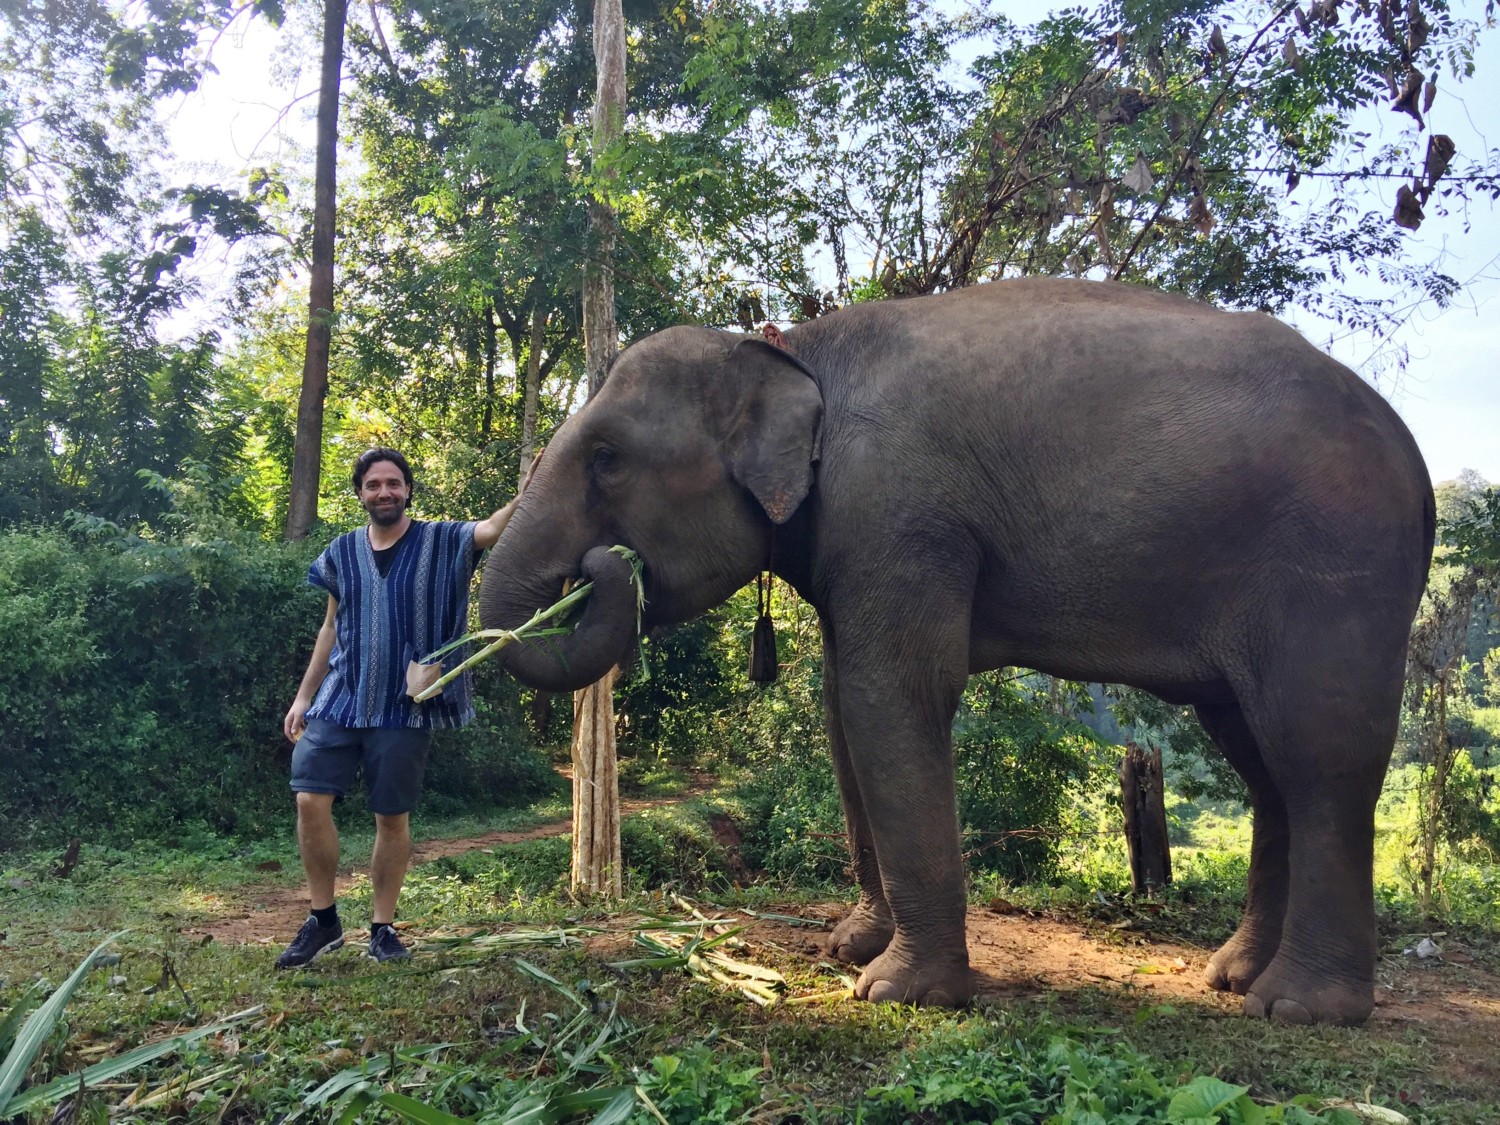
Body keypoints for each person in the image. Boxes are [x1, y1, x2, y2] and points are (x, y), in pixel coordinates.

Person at [276, 447, 520, 968]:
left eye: (393, 483)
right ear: (360, 493)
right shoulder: (342, 551)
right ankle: (323, 921)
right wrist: (304, 695)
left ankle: (382, 929)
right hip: (340, 698)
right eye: (373, 484)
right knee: (309, 798)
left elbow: (493, 529)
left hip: (405, 706)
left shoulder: (442, 539)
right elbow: (330, 627)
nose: (383, 492)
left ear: (408, 489)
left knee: (391, 817)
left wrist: (536, 484)